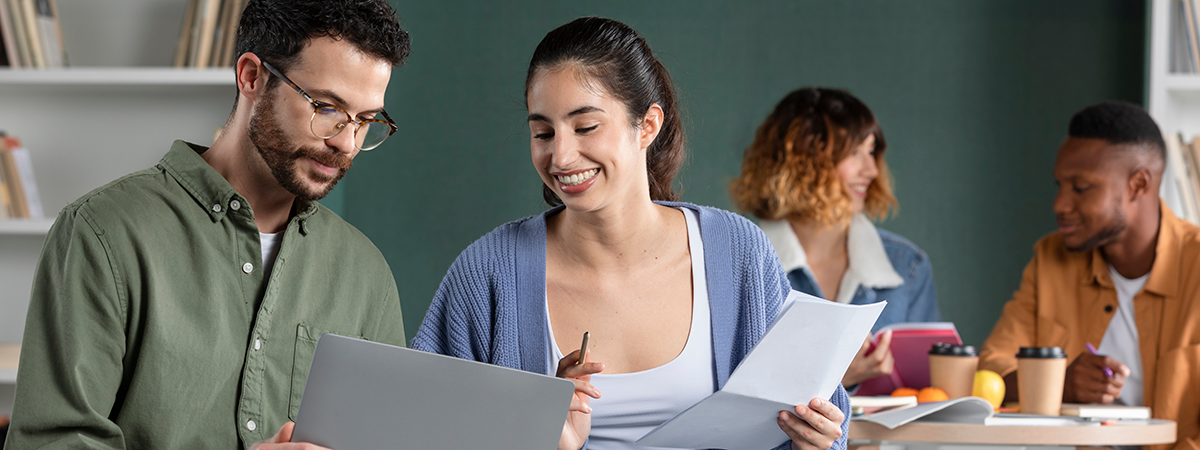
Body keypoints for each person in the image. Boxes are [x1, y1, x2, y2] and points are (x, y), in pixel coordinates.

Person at [412, 17, 849, 450]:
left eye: (586, 127)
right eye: (542, 132)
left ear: (648, 125)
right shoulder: (488, 273)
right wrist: (542, 440)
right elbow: (418, 429)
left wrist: (813, 444)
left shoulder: (739, 252)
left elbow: (819, 416)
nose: (561, 156)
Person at [3, 1, 410, 448]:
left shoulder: (366, 275)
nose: (345, 143)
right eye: (327, 107)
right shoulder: (103, 233)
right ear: (251, 77)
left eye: (367, 120)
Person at [978, 101, 1200, 450]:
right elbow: (990, 374)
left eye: (1080, 188)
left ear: (1138, 184)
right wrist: (1059, 384)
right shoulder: (1050, 259)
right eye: (1060, 186)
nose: (1060, 205)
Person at [730, 87, 941, 388]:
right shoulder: (738, 263)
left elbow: (927, 393)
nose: (871, 169)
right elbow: (730, 392)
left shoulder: (908, 267)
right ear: (803, 161)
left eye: (871, 152)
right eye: (855, 153)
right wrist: (835, 382)